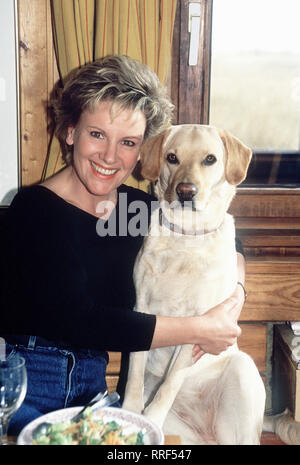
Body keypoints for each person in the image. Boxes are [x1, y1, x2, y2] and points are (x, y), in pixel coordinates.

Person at [0, 55, 246, 436]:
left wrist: (236, 296)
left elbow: (227, 239)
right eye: (97, 134)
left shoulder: (137, 209)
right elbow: (82, 320)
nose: (110, 156)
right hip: (29, 384)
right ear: (69, 132)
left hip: (93, 390)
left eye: (128, 142)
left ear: (143, 153)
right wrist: (200, 328)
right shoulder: (33, 210)